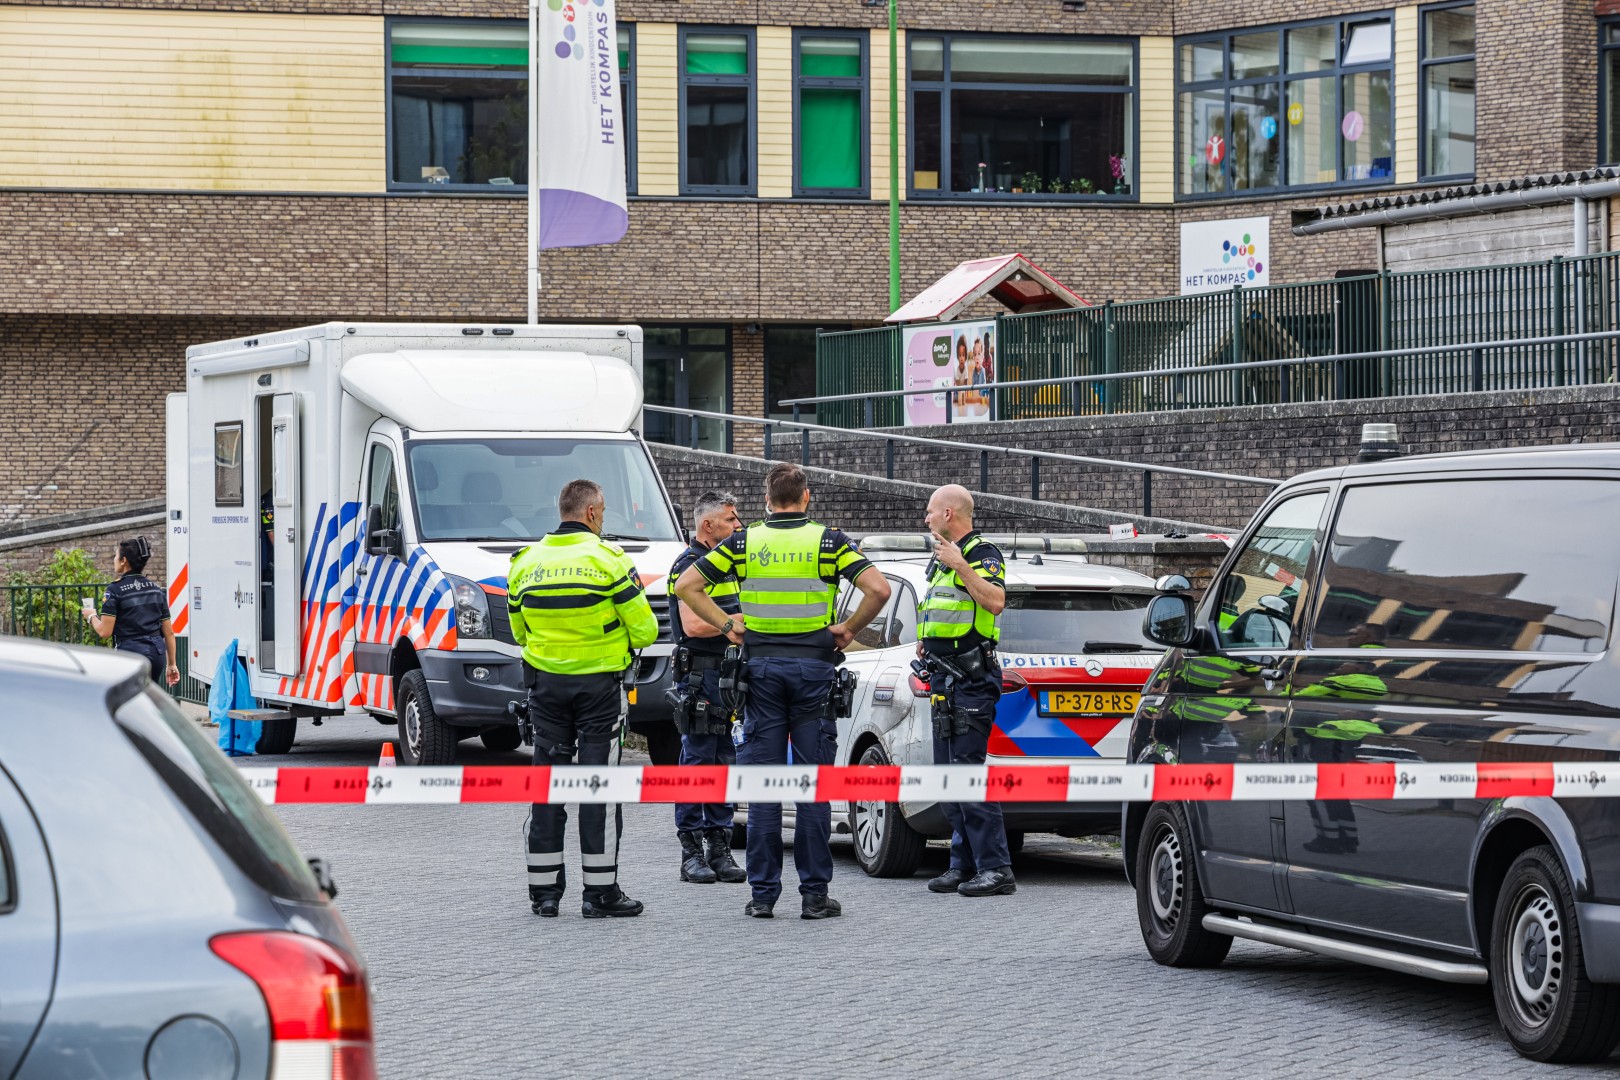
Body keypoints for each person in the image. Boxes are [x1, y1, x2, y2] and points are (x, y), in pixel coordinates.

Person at [673, 462, 890, 920]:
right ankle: (814, 896)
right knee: (813, 786)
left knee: (764, 786)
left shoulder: (745, 541)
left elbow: (687, 585)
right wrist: (848, 628)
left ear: (768, 501)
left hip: (762, 672)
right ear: (806, 497)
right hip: (813, 669)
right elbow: (879, 589)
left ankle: (762, 896)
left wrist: (728, 625)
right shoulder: (830, 542)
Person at [508, 479, 659, 919]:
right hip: (598, 691)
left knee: (547, 785)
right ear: (592, 513)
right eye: (605, 511)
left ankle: (545, 895)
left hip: (545, 689)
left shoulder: (525, 562)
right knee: (599, 788)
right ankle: (599, 894)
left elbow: (519, 631)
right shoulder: (608, 560)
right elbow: (646, 630)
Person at [917, 485, 1015, 897]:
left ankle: (996, 870)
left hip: (971, 682)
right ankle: (962, 864)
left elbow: (995, 602)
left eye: (930, 512)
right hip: (944, 680)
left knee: (968, 775)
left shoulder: (980, 553)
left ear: (949, 514)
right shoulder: (941, 559)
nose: (925, 519)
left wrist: (961, 565)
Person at [666, 490, 748, 885]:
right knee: (697, 761)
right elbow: (695, 626)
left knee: (724, 760)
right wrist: (739, 620)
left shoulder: (727, 564)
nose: (739, 525)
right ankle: (691, 852)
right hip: (699, 677)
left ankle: (720, 848)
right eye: (731, 519)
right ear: (708, 525)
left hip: (729, 676)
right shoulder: (690, 564)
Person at [85, 536, 180, 687]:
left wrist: (91, 616)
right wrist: (172, 664)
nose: (114, 560)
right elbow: (169, 632)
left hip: (131, 651)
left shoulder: (114, 590)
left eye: (116, 556)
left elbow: (104, 631)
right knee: (148, 697)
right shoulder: (156, 589)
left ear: (124, 561)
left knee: (127, 699)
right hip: (157, 653)